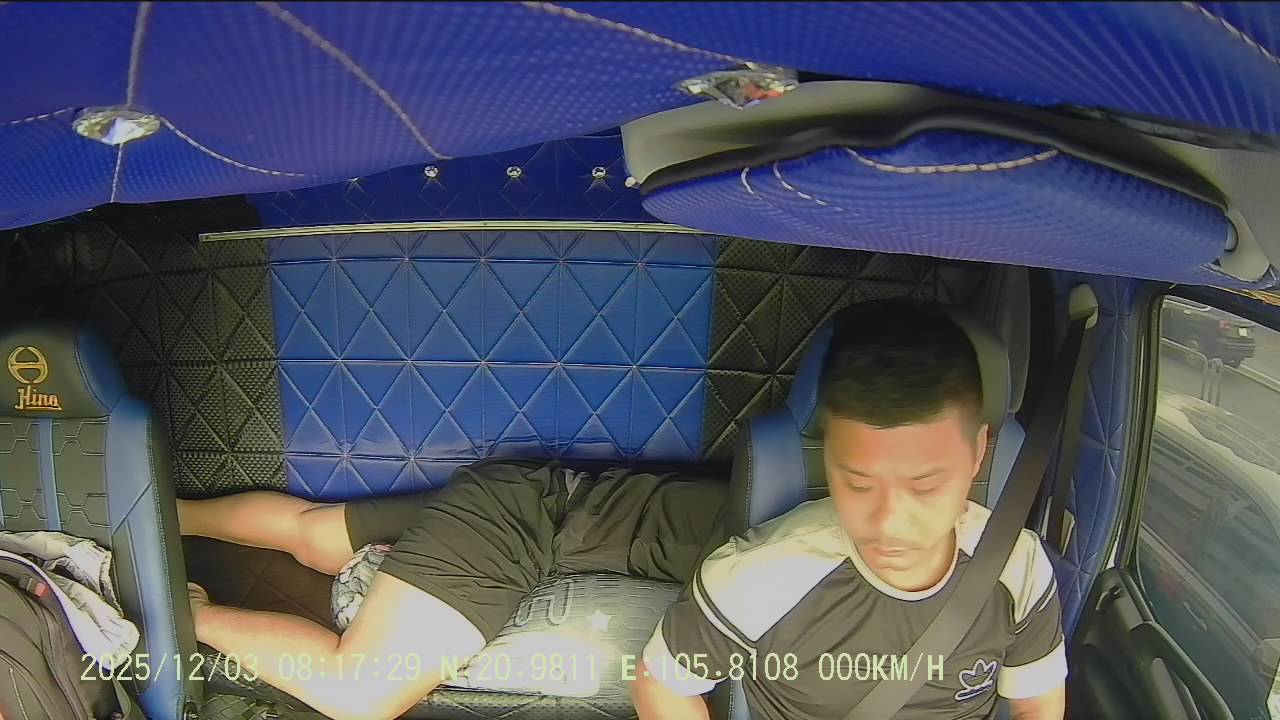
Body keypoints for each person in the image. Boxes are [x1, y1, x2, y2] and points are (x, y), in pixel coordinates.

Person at [630, 300, 1067, 720]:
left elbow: (1036, 706)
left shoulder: (1016, 566)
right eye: (859, 484)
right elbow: (662, 684)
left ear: (977, 453)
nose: (889, 523)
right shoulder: (759, 576)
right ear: (829, 456)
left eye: (924, 486)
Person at [180, 459, 729, 720]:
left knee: (318, 535)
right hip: (527, 532)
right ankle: (191, 613)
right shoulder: (775, 570)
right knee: (361, 694)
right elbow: (661, 685)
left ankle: (166, 512)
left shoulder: (780, 519)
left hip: (532, 493)